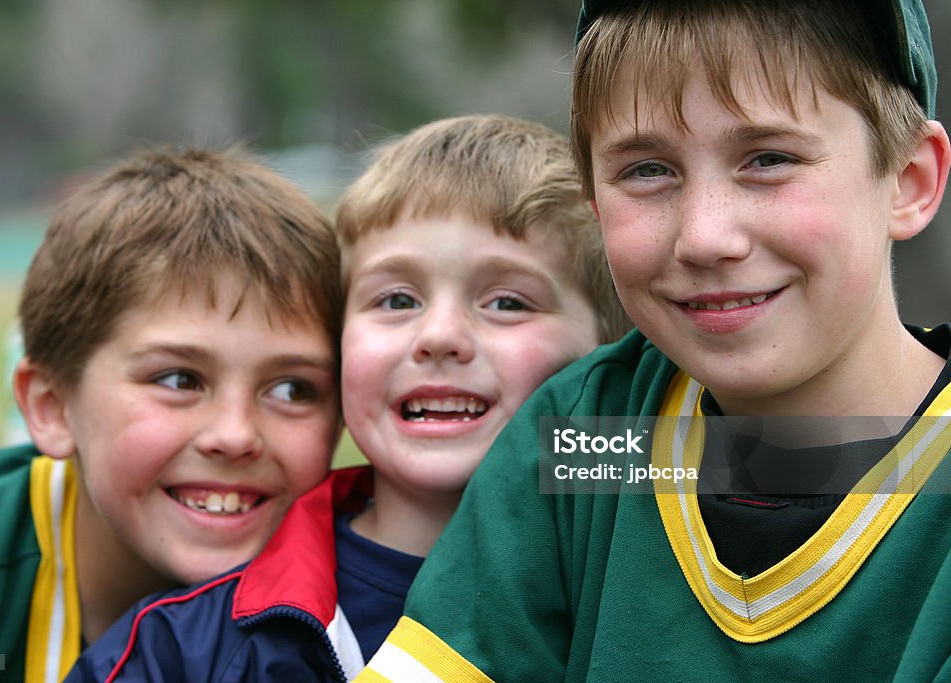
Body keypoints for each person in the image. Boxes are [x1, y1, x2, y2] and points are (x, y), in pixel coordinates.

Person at [358, 1, 951, 681]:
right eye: (647, 170)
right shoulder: (590, 439)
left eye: (768, 158)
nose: (704, 236)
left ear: (909, 180)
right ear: (594, 200)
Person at [64, 113, 631, 682]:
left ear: (610, 349)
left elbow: (711, 458)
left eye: (507, 303)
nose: (439, 337)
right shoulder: (179, 652)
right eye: (397, 300)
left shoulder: (662, 559)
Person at [0, 146, 344, 683]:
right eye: (179, 380)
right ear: (51, 406)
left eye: (293, 389)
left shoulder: (381, 598)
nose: (236, 434)